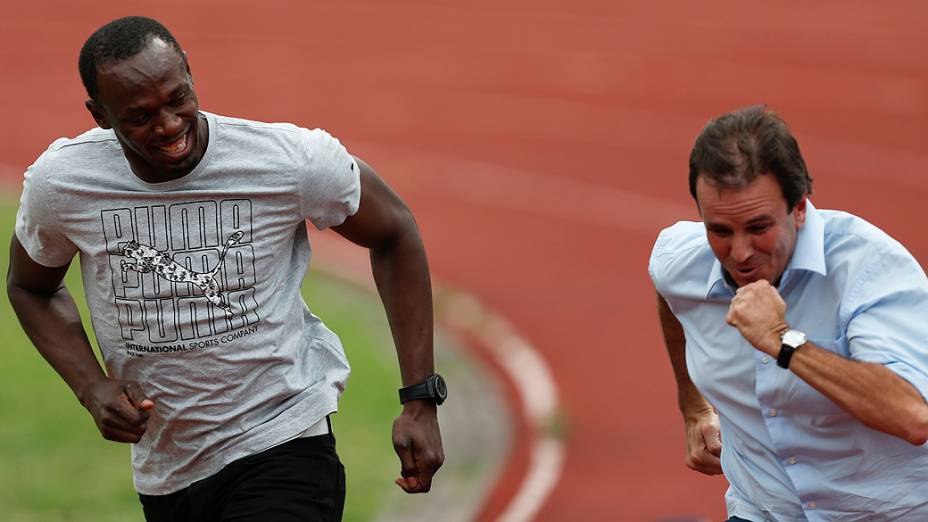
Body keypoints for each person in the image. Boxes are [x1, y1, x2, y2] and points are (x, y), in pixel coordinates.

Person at [7, 16, 446, 521]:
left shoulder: (287, 162)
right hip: (168, 469)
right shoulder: (63, 185)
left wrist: (420, 399)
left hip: (284, 441)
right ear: (100, 116)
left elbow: (394, 232)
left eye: (177, 99)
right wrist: (90, 385)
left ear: (191, 75)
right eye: (140, 116)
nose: (170, 126)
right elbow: (30, 287)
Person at [649, 105, 928, 521]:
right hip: (761, 509)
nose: (739, 253)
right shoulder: (683, 263)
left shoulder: (866, 269)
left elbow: (913, 416)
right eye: (720, 230)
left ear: (799, 208)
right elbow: (668, 288)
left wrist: (784, 341)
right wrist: (693, 404)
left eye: (759, 228)